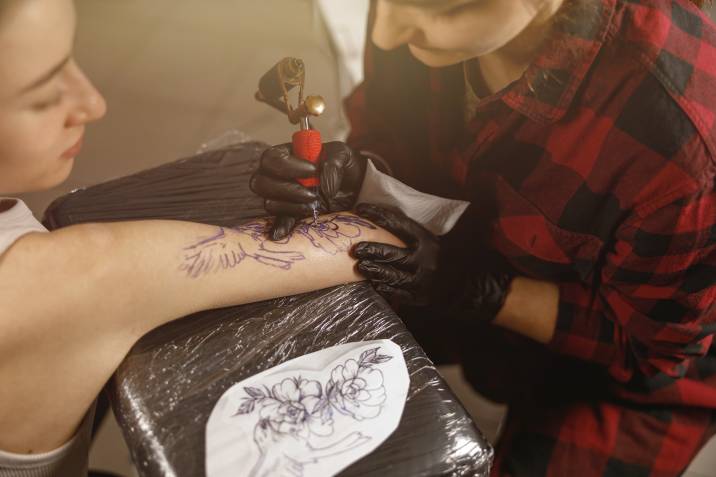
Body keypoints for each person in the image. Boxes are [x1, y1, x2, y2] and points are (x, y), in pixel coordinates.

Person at [250, 0, 716, 474]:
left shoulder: (681, 146)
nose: (385, 33)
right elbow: (393, 128)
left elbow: (650, 352)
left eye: (442, 11)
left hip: (621, 368)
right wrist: (362, 173)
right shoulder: (407, 23)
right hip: (459, 259)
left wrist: (477, 288)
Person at [0, 0, 402, 475]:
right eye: (43, 95)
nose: (94, 103)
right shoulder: (63, 276)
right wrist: (367, 189)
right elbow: (380, 240)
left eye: (71, 57)